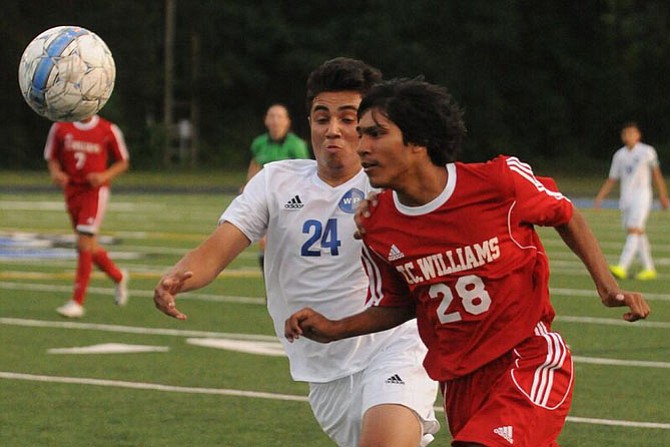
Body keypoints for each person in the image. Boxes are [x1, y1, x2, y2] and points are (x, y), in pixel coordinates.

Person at [285, 78, 651, 447]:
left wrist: (608, 288)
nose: (360, 146)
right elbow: (400, 305)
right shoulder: (376, 225)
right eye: (361, 134)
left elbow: (565, 213)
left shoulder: (499, 183)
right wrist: (335, 327)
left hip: (526, 359)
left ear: (417, 140)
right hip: (460, 385)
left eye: (375, 134)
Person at [154, 58, 440, 447]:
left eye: (348, 118)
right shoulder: (275, 181)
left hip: (395, 345)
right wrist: (177, 278)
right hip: (323, 368)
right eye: (322, 118)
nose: (333, 130)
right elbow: (216, 249)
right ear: (309, 122)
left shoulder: (391, 187)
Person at [44, 114, 130, 318]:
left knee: (83, 243)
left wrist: (103, 176)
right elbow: (52, 157)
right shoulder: (60, 127)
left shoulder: (108, 129)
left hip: (95, 192)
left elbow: (123, 162)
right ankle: (118, 276)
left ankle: (77, 302)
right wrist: (56, 173)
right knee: (88, 246)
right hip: (72, 190)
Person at [594, 121, 669, 280]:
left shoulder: (647, 152)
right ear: (623, 136)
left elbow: (657, 175)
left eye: (632, 133)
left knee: (634, 229)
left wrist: (663, 195)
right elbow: (612, 179)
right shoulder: (619, 155)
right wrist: (600, 197)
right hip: (625, 198)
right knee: (637, 231)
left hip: (642, 196)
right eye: (626, 134)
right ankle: (649, 268)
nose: (629, 136)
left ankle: (622, 266)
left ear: (638, 135)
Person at [244, 103, 310, 269]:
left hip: (290, 200)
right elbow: (254, 166)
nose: (275, 121)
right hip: (266, 199)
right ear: (266, 120)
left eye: (279, 117)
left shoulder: (296, 145)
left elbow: (304, 174)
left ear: (287, 122)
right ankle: (271, 290)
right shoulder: (259, 143)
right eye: (271, 116)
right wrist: (247, 189)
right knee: (265, 245)